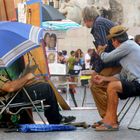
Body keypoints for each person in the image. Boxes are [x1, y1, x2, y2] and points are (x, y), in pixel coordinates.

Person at [93, 25, 140, 131]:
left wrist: (100, 51)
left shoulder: (127, 45)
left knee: (113, 87)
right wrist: (103, 78)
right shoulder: (128, 51)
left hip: (138, 83)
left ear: (115, 40)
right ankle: (109, 118)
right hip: (135, 82)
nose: (112, 44)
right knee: (110, 84)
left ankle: (111, 122)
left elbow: (106, 58)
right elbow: (121, 76)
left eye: (112, 41)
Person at [0, 61, 76, 125]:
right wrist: (27, 77)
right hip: (10, 99)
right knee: (46, 88)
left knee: (41, 84)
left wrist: (25, 80)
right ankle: (56, 120)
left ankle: (55, 118)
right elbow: (10, 88)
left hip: (12, 96)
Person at [82, 6, 121, 120]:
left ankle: (108, 118)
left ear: (87, 18)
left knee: (95, 84)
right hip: (117, 61)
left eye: (84, 20)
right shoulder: (101, 22)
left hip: (114, 62)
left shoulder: (98, 24)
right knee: (103, 86)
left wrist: (96, 71)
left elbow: (103, 49)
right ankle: (110, 116)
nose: (84, 24)